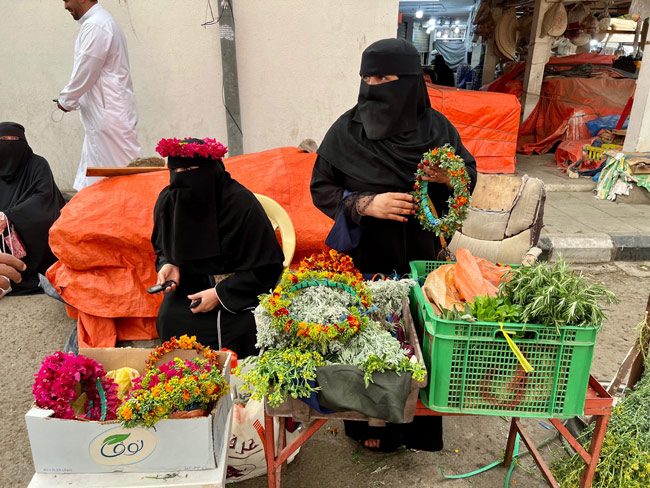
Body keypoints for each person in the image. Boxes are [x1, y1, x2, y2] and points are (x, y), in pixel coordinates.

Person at [310, 38, 477, 452]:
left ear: (408, 82)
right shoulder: (347, 129)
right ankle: (370, 423)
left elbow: (468, 173)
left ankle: (415, 428)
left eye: (383, 77)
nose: (372, 85)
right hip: (366, 256)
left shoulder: (438, 129)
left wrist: (446, 178)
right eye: (366, 77)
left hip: (422, 257)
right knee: (370, 340)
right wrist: (367, 203)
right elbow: (322, 188)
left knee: (421, 339)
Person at [151, 138, 285, 359]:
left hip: (239, 288)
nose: (181, 177)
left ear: (209, 170)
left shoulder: (240, 203)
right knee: (169, 317)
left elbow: (267, 268)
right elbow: (162, 246)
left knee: (244, 327)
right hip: (190, 284)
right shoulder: (169, 200)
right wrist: (169, 264)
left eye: (189, 170)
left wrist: (219, 294)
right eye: (176, 170)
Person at [57, 0, 141, 191]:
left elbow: (86, 68)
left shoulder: (97, 24)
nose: (65, 6)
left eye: (67, 0)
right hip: (101, 115)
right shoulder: (97, 22)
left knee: (126, 178)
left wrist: (67, 100)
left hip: (108, 115)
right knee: (94, 182)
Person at [0, 122, 66, 294]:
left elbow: (44, 198)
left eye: (15, 140)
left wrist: (10, 216)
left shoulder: (37, 164)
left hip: (30, 227)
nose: (9, 144)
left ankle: (17, 276)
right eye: (3, 140)